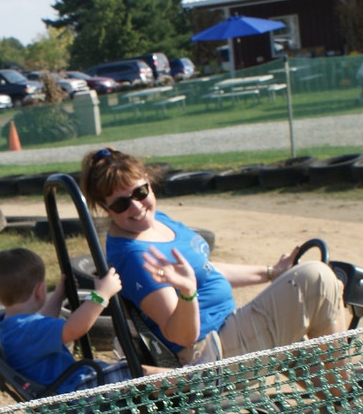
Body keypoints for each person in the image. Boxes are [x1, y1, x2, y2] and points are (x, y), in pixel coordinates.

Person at [80, 147, 348, 368]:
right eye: (121, 203)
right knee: (316, 278)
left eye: (140, 192)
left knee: (324, 288)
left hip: (230, 328)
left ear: (149, 182)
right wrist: (187, 292)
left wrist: (270, 272)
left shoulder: (155, 221)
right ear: (105, 208)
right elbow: (182, 336)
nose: (137, 206)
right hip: (210, 353)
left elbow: (204, 269)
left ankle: (334, 393)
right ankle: (344, 396)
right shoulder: (135, 255)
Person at [0, 247, 166, 395]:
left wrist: (59, 295)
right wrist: (102, 294)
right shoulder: (28, 329)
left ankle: (182, 378)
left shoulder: (13, 326)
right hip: (72, 396)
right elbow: (75, 328)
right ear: (40, 290)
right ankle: (189, 379)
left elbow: (44, 321)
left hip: (67, 389)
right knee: (135, 372)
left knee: (123, 368)